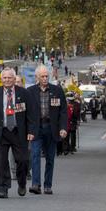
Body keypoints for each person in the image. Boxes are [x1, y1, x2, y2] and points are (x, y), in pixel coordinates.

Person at [0, 67, 37, 199]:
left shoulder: (24, 93)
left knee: (23, 160)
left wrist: (31, 131)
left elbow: (31, 115)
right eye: (4, 78)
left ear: (14, 79)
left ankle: (21, 183)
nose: (7, 80)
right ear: (1, 79)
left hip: (18, 132)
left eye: (9, 78)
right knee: (1, 162)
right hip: (1, 131)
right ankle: (3, 188)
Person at [27, 65, 67, 195]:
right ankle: (35, 184)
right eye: (42, 76)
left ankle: (48, 185)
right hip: (36, 128)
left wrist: (63, 128)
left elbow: (63, 112)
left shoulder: (57, 90)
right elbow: (26, 113)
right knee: (35, 155)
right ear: (37, 77)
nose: (44, 78)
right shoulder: (30, 92)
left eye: (46, 76)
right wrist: (27, 130)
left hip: (51, 128)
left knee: (50, 158)